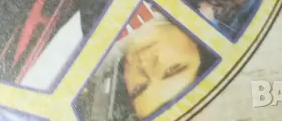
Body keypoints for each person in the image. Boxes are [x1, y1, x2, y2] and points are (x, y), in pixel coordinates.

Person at [75, 14, 214, 120]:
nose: (145, 64)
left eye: (139, 89)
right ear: (197, 48)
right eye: (171, 70)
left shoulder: (87, 55)